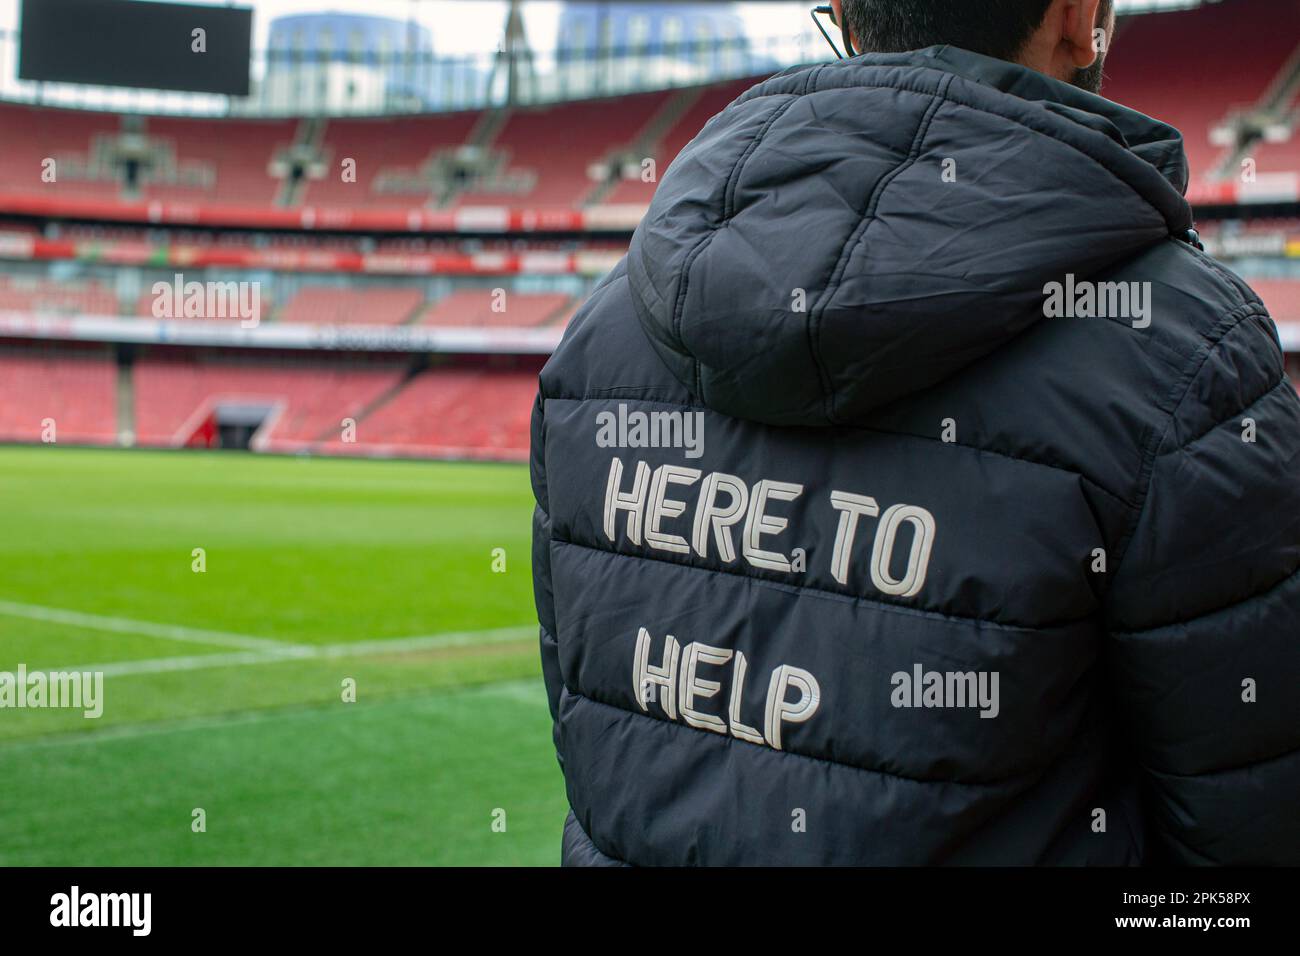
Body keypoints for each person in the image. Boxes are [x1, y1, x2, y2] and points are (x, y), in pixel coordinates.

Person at [530, 0, 1300, 865]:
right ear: (1082, 18)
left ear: (849, 18)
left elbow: (584, 736)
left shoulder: (601, 336)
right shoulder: (1189, 356)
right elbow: (1249, 820)